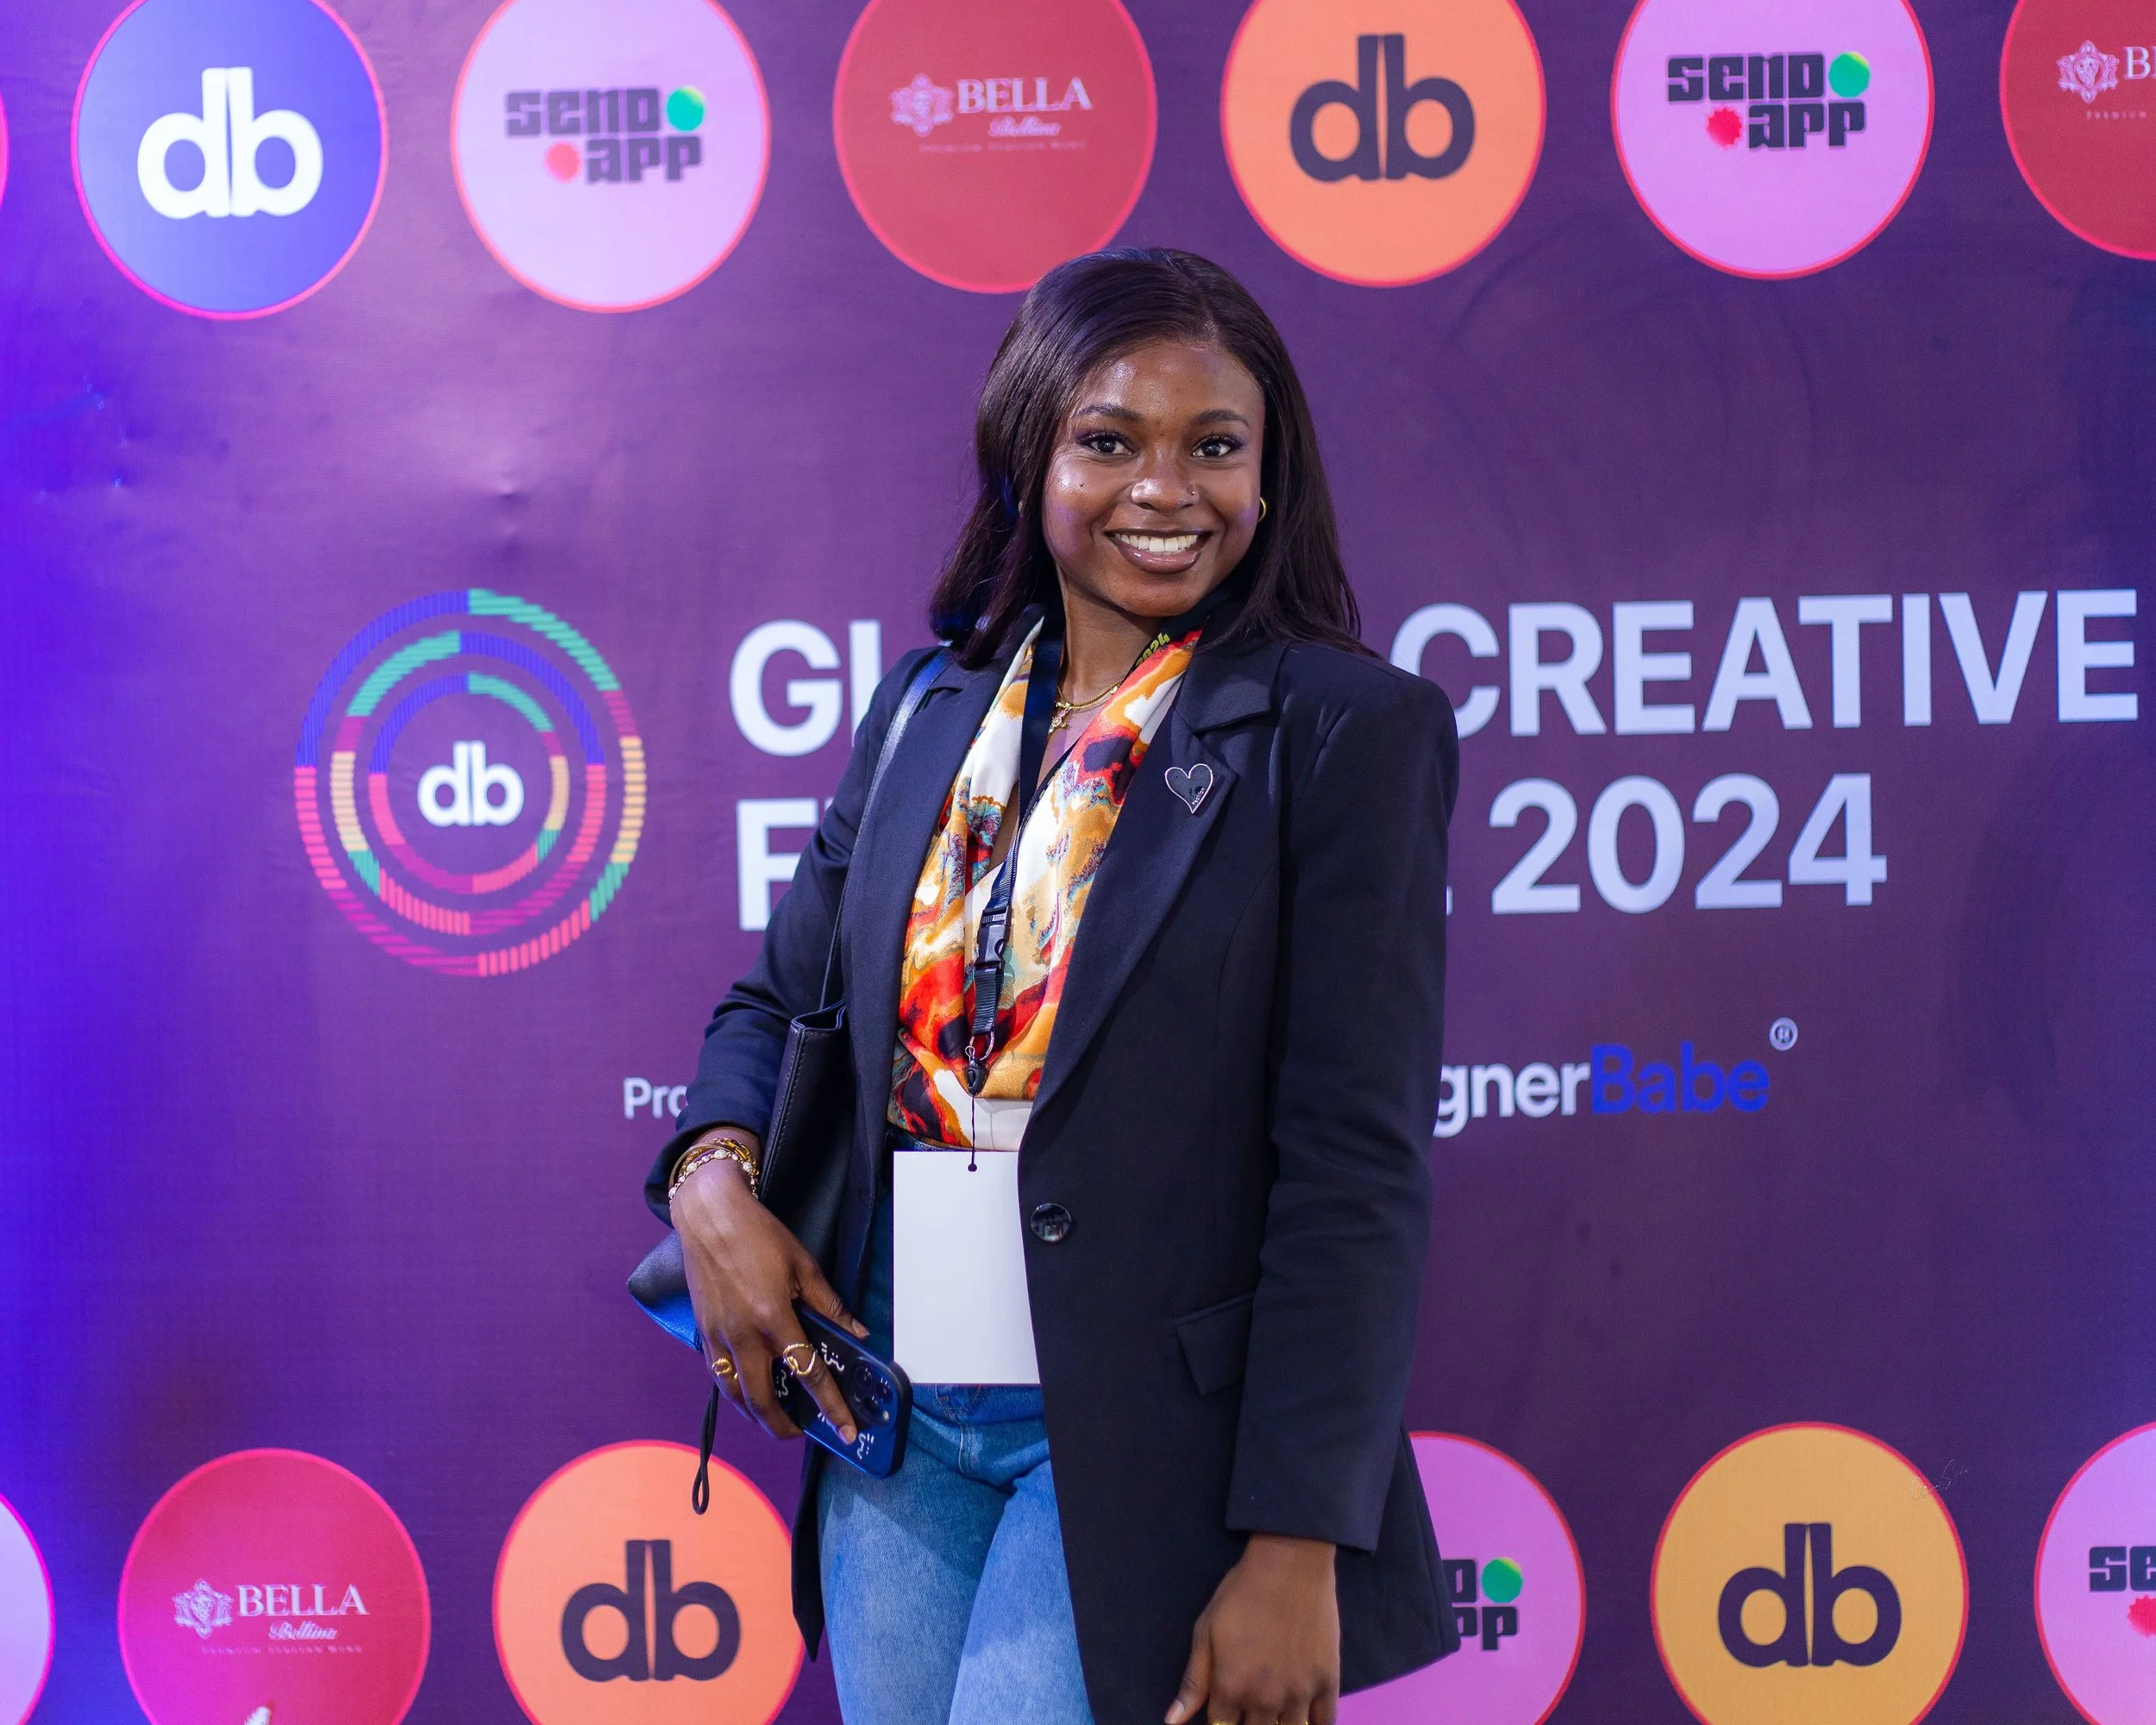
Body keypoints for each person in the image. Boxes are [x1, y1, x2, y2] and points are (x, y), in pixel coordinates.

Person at [647, 248, 1460, 1725]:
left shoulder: (1346, 733)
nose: (1169, 489)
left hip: (1148, 1432)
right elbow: (774, 1006)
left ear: (1271, 478)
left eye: (1216, 447)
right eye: (1111, 441)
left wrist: (1298, 1546)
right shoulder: (926, 707)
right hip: (893, 1404)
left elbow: (1356, 1167)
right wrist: (710, 1185)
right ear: (1029, 454)